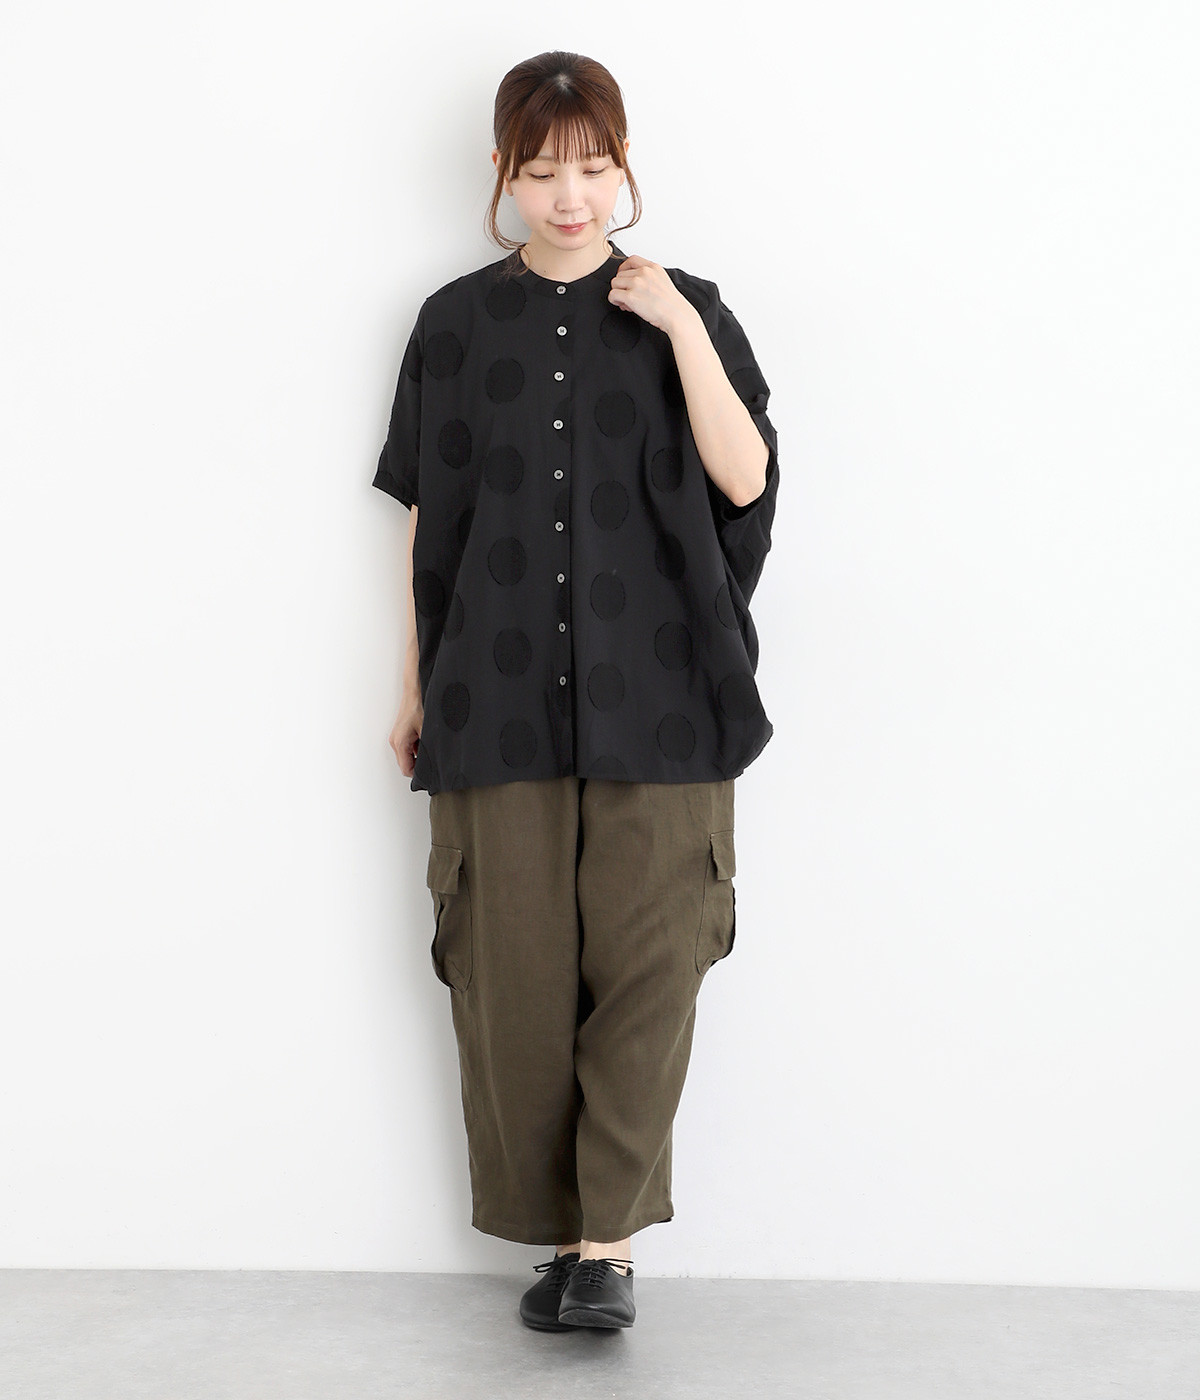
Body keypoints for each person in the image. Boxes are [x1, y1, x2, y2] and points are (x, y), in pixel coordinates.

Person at [373, 51, 780, 1332]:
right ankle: (566, 1240)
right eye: (543, 169)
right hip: (493, 695)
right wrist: (412, 684)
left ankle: (606, 1250)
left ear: (625, 166)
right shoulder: (453, 324)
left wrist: (677, 328)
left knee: (653, 965)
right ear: (503, 171)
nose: (569, 196)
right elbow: (432, 520)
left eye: (593, 167)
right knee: (515, 972)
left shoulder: (690, 307)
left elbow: (745, 476)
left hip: (666, 694)